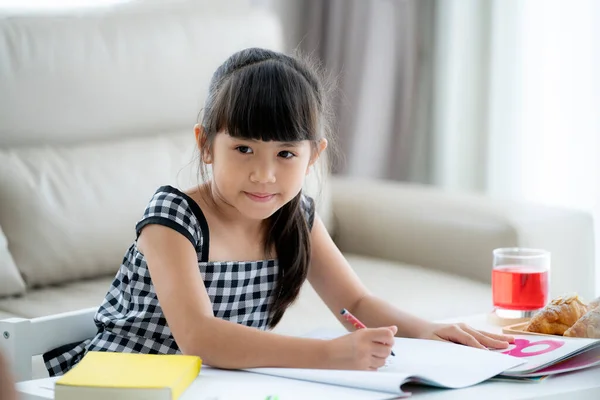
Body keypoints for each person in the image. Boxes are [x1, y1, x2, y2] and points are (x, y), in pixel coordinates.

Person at [43, 47, 513, 376]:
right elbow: (200, 338)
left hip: (218, 387)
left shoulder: (297, 217)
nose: (264, 175)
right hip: (116, 386)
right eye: (244, 149)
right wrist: (329, 354)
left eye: (286, 154)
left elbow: (358, 305)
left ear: (313, 155)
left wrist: (428, 329)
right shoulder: (174, 217)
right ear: (205, 145)